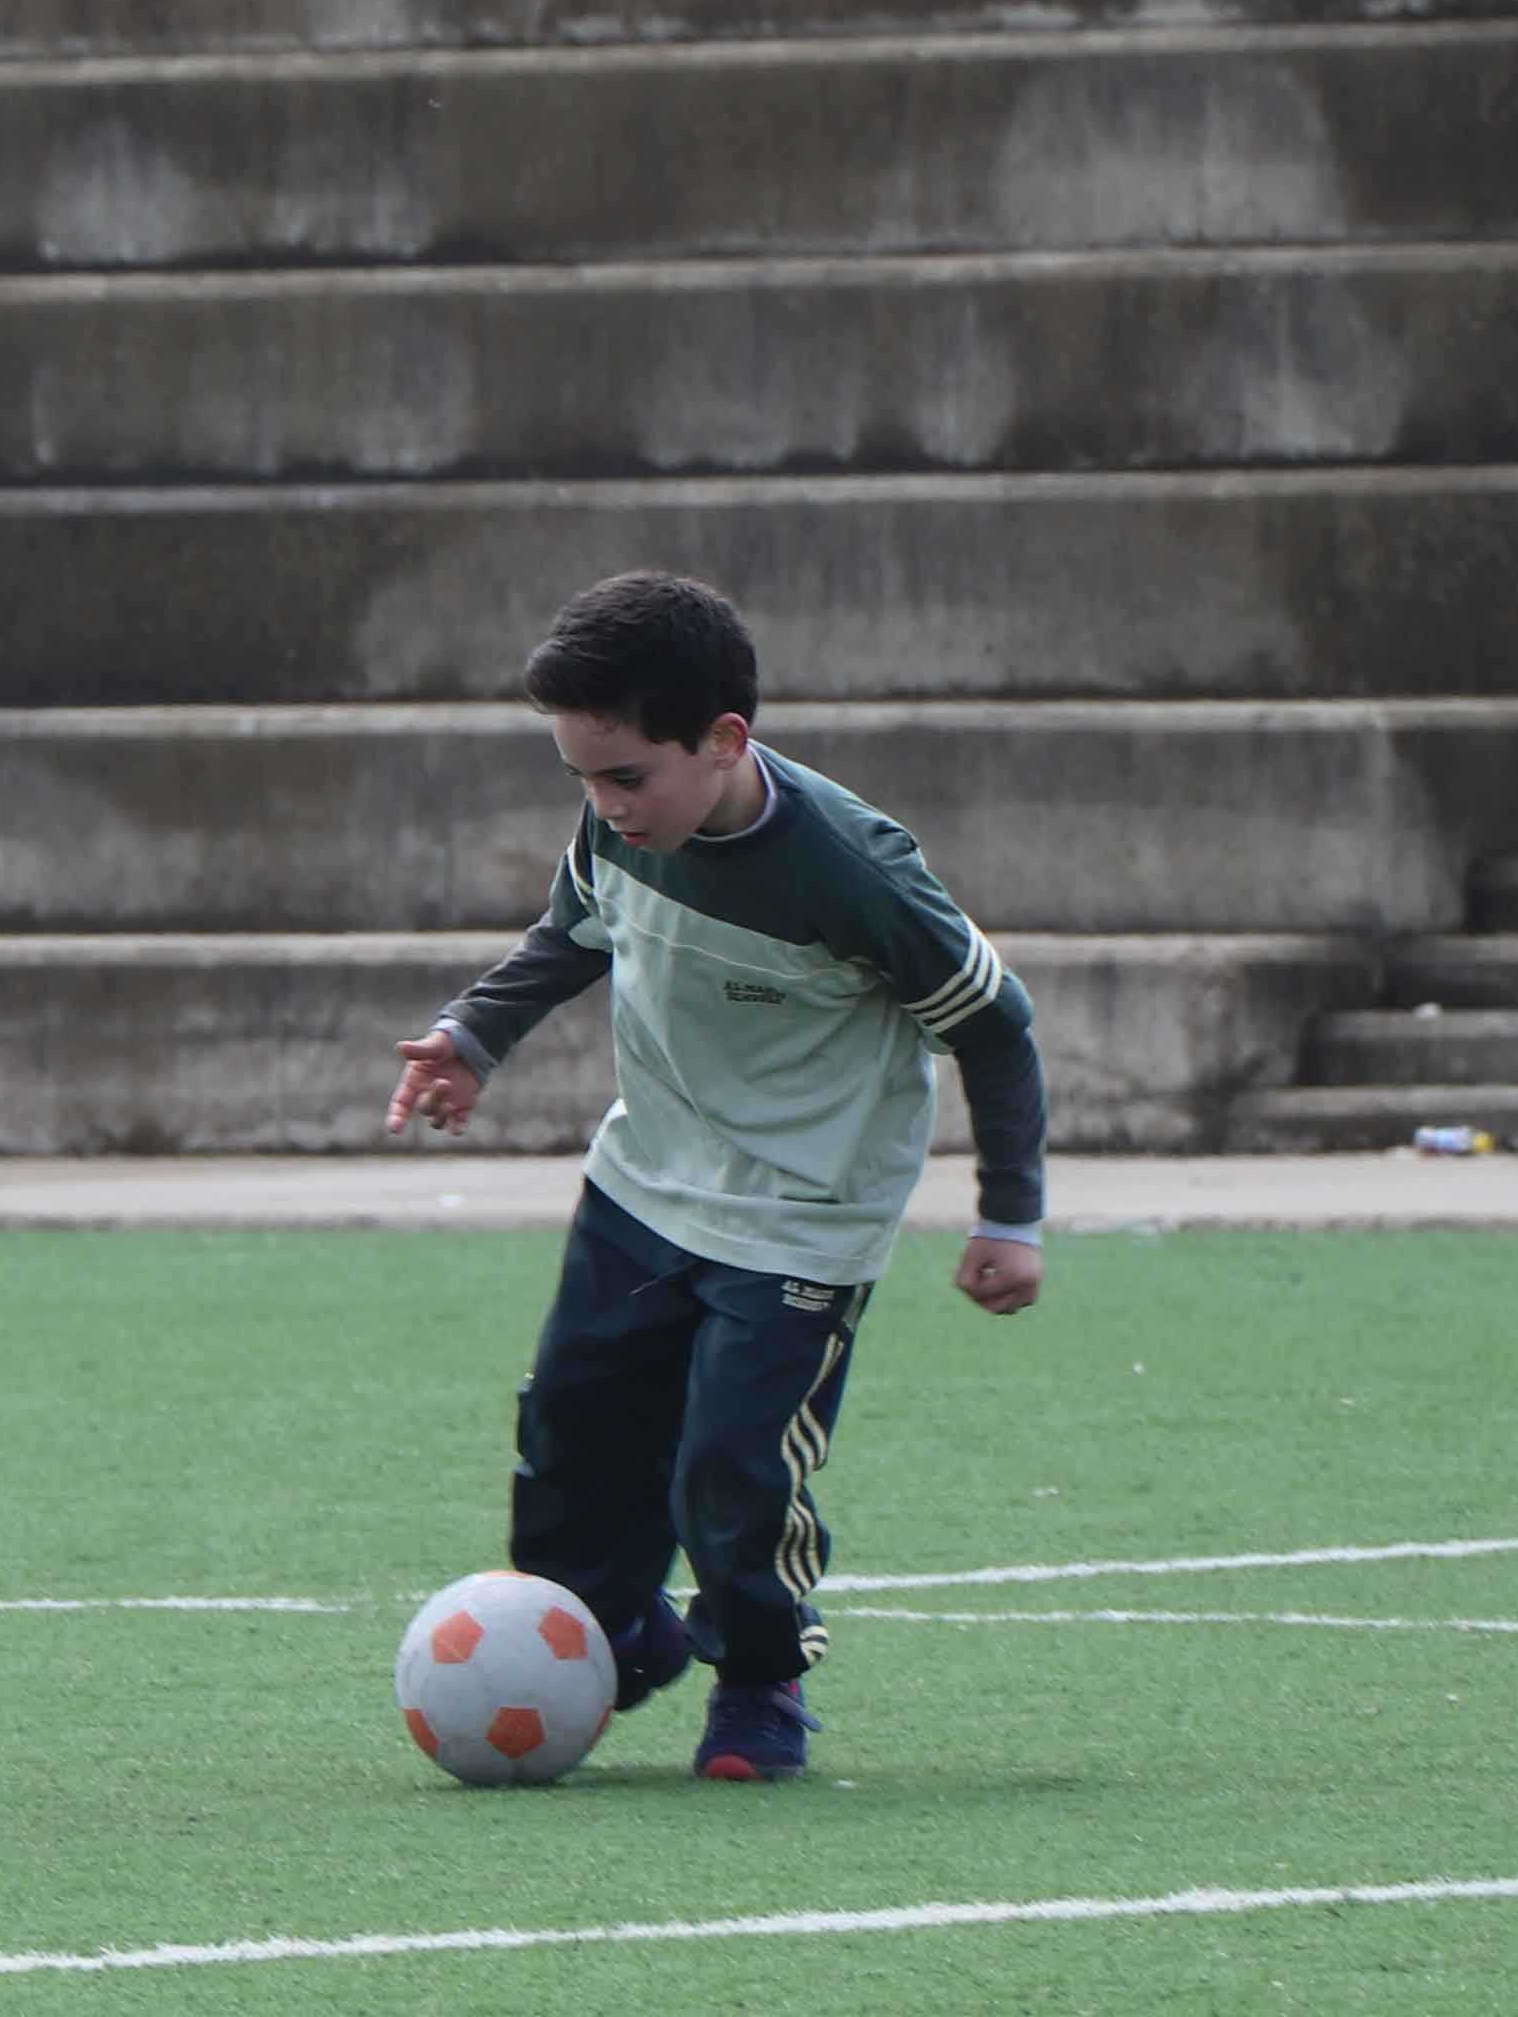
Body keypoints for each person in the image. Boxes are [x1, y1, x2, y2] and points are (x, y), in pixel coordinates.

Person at [385, 568, 1048, 1782]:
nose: (603, 804)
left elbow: (995, 1025)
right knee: (570, 1433)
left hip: (801, 1220)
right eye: (582, 778)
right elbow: (572, 933)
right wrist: (472, 1035)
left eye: (626, 776)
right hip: (646, 1185)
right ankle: (614, 1635)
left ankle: (759, 1677)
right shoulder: (621, 823)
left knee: (732, 1468)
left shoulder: (854, 874)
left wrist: (1010, 1215)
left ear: (725, 739)